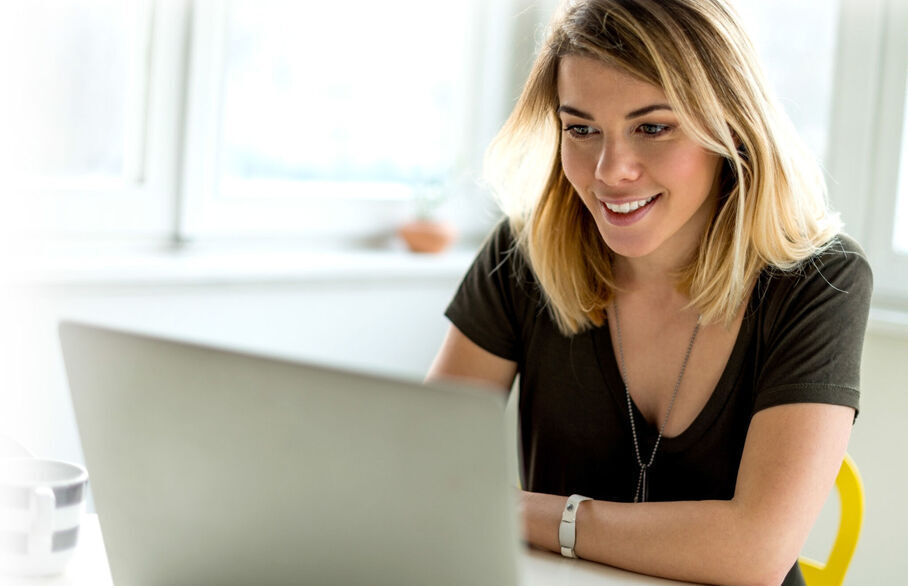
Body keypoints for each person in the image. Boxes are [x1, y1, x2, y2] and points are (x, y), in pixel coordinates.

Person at [426, 0, 873, 584]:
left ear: (729, 126)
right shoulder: (522, 256)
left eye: (653, 127)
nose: (610, 170)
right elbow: (427, 471)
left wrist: (528, 513)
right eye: (581, 129)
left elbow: (755, 551)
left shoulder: (821, 281)